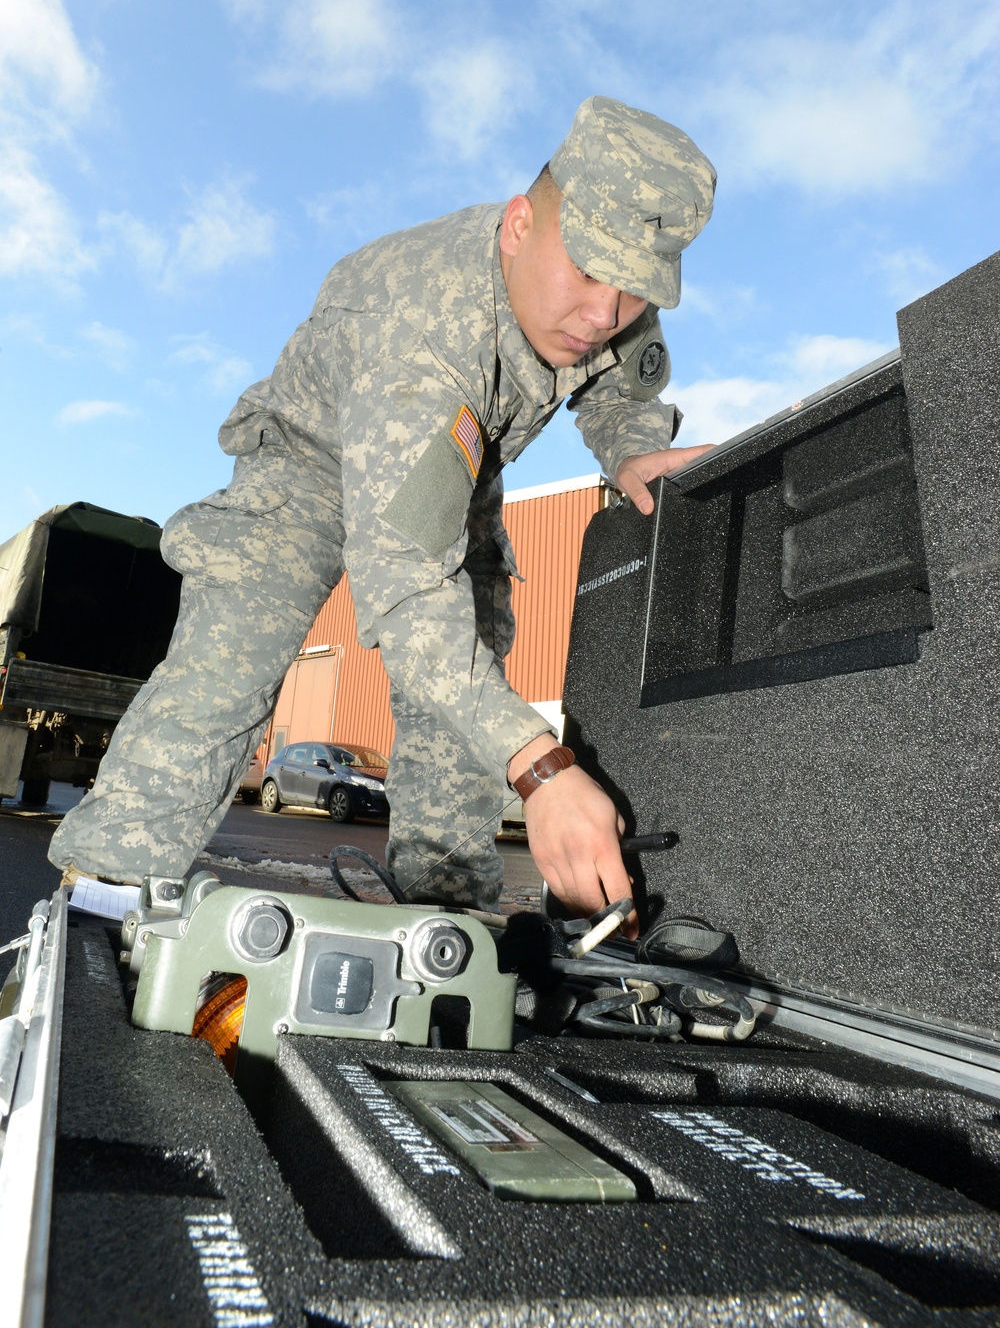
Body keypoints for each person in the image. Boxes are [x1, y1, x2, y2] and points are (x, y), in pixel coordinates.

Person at [49, 95, 716, 928]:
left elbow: (621, 385)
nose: (601, 315)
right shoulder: (424, 332)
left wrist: (629, 448)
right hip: (309, 465)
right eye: (586, 272)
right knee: (230, 664)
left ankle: (445, 925)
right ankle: (100, 898)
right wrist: (541, 770)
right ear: (519, 225)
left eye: (631, 292)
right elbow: (403, 588)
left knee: (460, 693)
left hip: (452, 468)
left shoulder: (611, 302)